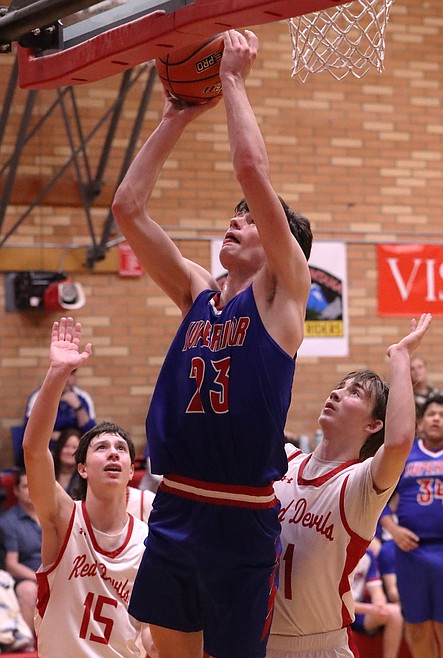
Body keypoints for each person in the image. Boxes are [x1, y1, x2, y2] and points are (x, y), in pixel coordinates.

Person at [112, 29, 312, 658]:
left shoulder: (282, 294)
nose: (235, 219)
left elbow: (251, 170)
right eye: (235, 214)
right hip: (175, 503)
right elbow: (127, 208)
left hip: (239, 512)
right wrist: (174, 116)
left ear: (278, 245)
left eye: (249, 218)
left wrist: (231, 80)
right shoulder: (197, 293)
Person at [265, 313, 432, 658]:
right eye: (340, 386)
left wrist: (400, 356)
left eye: (354, 392)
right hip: (258, 641)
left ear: (374, 425)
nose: (337, 393)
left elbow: (400, 441)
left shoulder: (360, 484)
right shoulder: (283, 458)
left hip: (321, 646)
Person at [22, 316, 157, 658]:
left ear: (131, 470)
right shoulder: (63, 519)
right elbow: (34, 450)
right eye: (101, 447)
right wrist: (58, 373)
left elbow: (149, 627)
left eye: (121, 449)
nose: (113, 452)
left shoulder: (149, 540)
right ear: (81, 468)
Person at [380, 394, 443, 658]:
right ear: (421, 421)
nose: (437, 419)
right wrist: (394, 531)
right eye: (431, 414)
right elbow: (378, 498)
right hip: (410, 553)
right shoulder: (404, 455)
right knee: (417, 627)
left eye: (442, 415)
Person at [0, 468, 41, 637]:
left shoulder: (51, 513)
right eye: (25, 486)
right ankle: (28, 643)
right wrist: (41, 578)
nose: (31, 490)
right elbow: (12, 565)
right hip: (28, 577)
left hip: (57, 573)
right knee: (28, 590)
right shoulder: (8, 521)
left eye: (34, 485)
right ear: (16, 491)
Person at [351, 541, 404, 658]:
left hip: (357, 612)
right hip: (334, 613)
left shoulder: (368, 555)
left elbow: (376, 590)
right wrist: (370, 609)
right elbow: (335, 602)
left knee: (395, 613)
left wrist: (379, 605)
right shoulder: (333, 557)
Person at [24, 366, 96, 443]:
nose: (68, 379)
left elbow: (91, 431)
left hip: (76, 445)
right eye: (64, 374)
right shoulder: (39, 397)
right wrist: (63, 438)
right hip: (48, 445)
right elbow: (30, 431)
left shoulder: (82, 396)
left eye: (71, 374)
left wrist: (78, 407)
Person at [51, 427, 81, 497]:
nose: (69, 451)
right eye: (66, 446)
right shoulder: (47, 474)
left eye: (74, 448)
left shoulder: (85, 479)